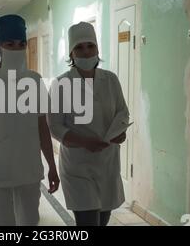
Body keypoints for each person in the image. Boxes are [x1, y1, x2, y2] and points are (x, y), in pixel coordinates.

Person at [0, 14, 60, 226]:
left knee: (29, 223)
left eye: (21, 44)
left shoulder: (34, 81)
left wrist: (52, 166)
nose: (16, 49)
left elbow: (43, 129)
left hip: (28, 173)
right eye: (10, 44)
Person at [47, 22, 130, 226]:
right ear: (71, 53)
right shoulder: (61, 84)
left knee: (102, 220)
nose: (85, 52)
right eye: (79, 47)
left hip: (108, 164)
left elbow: (122, 112)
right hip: (78, 166)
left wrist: (121, 133)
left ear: (97, 49)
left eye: (90, 46)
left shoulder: (110, 80)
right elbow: (55, 126)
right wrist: (84, 142)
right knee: (87, 222)